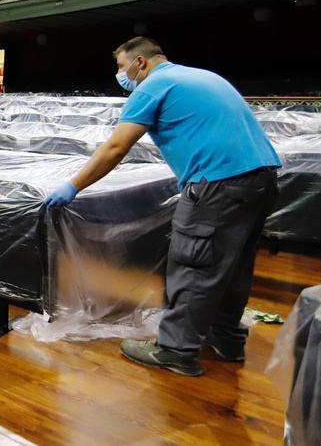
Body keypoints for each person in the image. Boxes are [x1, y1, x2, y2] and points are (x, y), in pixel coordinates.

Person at [43, 37, 281, 377]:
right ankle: (226, 340)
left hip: (218, 184)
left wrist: (74, 185)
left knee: (193, 266)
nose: (121, 75)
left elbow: (116, 147)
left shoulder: (153, 86)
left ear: (140, 62)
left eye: (122, 67)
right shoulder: (201, 76)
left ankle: (176, 350)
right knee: (232, 267)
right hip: (262, 180)